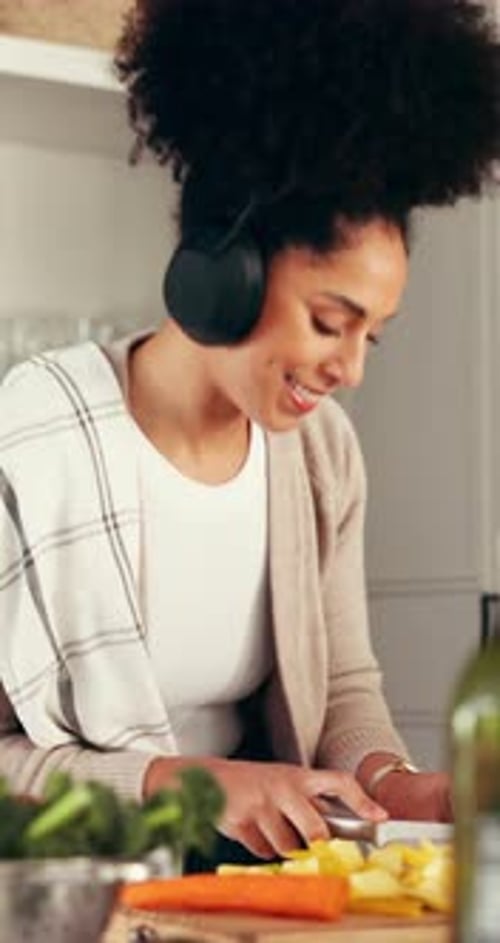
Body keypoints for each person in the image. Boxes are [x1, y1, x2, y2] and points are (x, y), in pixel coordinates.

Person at [0, 0, 498, 866]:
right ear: (221, 273)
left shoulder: (323, 455)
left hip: (240, 889)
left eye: (370, 335)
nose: (350, 368)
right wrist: (186, 784)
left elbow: (344, 689)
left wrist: (398, 782)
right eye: (329, 320)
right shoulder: (35, 442)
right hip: (67, 888)